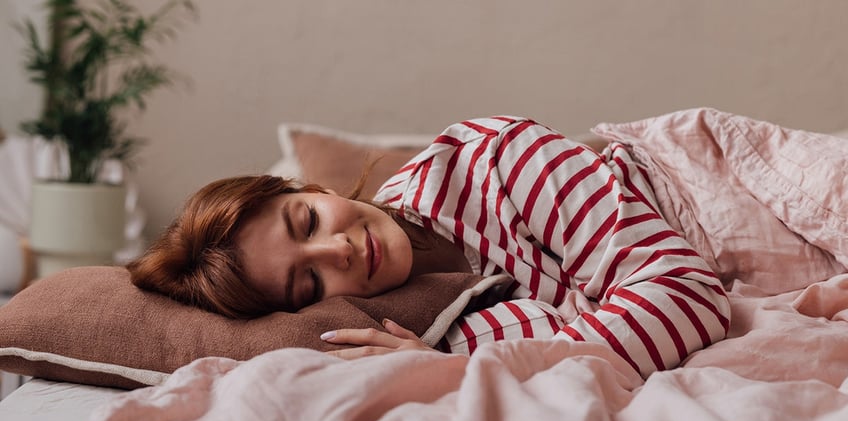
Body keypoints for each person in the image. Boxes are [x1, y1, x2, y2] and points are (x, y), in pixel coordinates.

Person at [128, 116, 730, 377]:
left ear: (309, 188)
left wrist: (475, 376)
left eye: (307, 220)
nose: (336, 251)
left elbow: (688, 294)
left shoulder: (495, 158)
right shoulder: (416, 333)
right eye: (308, 284)